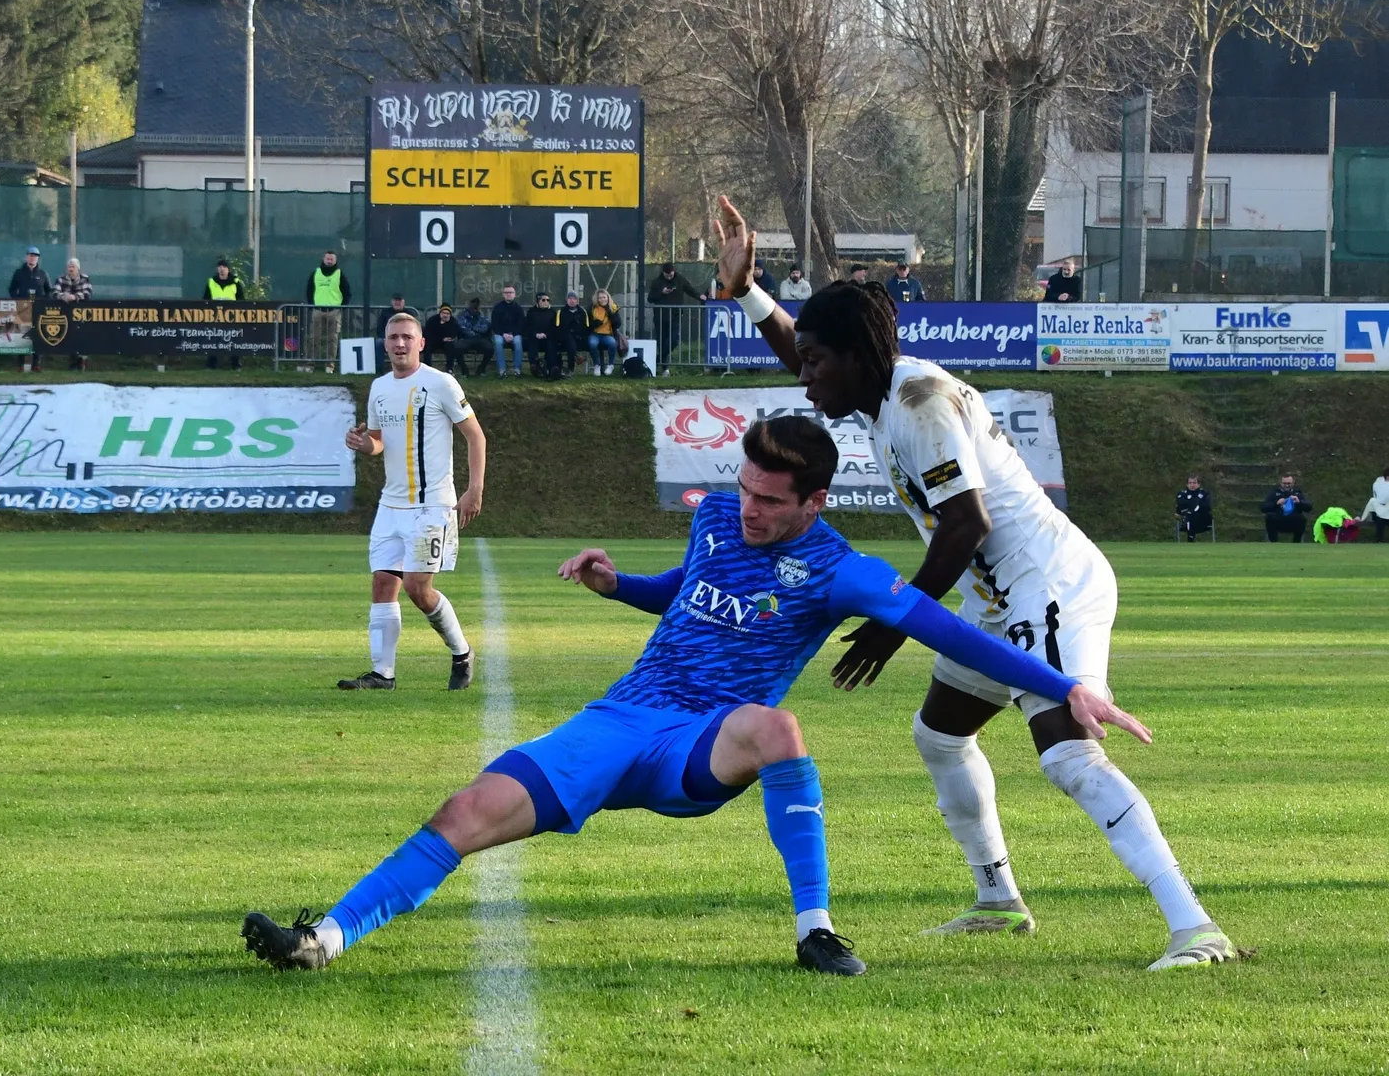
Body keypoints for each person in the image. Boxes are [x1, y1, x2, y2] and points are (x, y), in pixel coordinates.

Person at [241, 417, 1147, 975]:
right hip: (620, 716)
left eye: (769, 499)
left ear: (815, 500)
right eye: (744, 488)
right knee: (465, 808)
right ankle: (323, 941)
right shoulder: (717, 518)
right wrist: (615, 585)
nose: (748, 508)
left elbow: (948, 632)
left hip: (701, 745)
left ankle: (816, 931)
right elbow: (683, 590)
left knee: (778, 725)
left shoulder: (843, 569)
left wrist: (1065, 685)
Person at [713, 195, 1237, 970]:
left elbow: (967, 525)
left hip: (1044, 584)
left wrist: (897, 621)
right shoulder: (875, 389)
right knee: (940, 734)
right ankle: (997, 900)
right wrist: (749, 291)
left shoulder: (919, 404)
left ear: (855, 357)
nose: (804, 377)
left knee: (1067, 757)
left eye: (818, 363)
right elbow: (807, 355)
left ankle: (1195, 928)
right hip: (995, 599)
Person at [335, 313, 485, 692]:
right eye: (392, 338)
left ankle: (462, 652)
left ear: (421, 343)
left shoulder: (441, 384)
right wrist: (363, 443)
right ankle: (382, 674)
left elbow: (476, 437)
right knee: (383, 583)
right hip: (391, 505)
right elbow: (377, 441)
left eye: (406, 337)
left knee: (419, 588)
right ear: (384, 344)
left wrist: (474, 490)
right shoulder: (380, 387)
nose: (399, 344)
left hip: (432, 506)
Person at [648, 263, 704, 376]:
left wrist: (700, 296)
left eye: (671, 274)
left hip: (675, 316)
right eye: (667, 275)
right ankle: (665, 368)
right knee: (662, 341)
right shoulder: (656, 282)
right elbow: (650, 298)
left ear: (674, 271)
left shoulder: (680, 279)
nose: (669, 277)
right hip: (660, 316)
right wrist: (661, 293)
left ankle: (656, 361)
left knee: (673, 340)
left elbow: (690, 290)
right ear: (663, 272)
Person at [305, 251, 350, 372]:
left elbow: (347, 293)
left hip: (334, 312)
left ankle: (330, 365)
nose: (329, 261)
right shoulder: (316, 273)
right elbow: (309, 290)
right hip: (318, 310)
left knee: (333, 339)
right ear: (323, 259)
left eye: (332, 259)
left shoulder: (340, 274)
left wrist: (342, 307)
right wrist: (311, 306)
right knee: (314, 338)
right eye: (328, 259)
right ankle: (310, 363)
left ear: (335, 261)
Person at [203, 259, 247, 370]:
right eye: (220, 267)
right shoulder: (211, 282)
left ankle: (236, 364)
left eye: (224, 267)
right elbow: (205, 300)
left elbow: (241, 300)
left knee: (234, 339)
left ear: (228, 269)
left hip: (232, 317)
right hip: (215, 316)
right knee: (212, 339)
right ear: (217, 269)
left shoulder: (236, 282)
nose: (222, 269)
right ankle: (211, 364)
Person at [1261, 475, 1312, 543]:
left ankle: (1296, 543)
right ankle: (1273, 543)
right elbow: (1263, 508)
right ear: (1281, 483)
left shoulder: (1298, 493)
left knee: (1302, 519)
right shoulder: (1274, 493)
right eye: (1284, 483)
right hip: (1278, 521)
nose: (1286, 485)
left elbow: (1309, 508)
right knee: (1269, 518)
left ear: (1293, 483)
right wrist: (1276, 503)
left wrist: (1299, 502)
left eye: (1289, 483)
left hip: (1293, 522)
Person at [489, 284, 525, 377]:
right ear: (503, 294)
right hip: (500, 334)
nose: (508, 294)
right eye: (506, 292)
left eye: (510, 292)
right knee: (498, 342)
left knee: (518, 342)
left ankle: (517, 369)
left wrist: (513, 334)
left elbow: (521, 325)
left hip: (515, 334)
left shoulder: (518, 308)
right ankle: (502, 370)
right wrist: (503, 334)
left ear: (514, 294)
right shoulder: (497, 307)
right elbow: (495, 324)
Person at [587, 289, 622, 376]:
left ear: (608, 297)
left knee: (613, 343)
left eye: (604, 297)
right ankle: (596, 365)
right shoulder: (592, 308)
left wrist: (611, 314)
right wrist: (594, 324)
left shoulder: (613, 308)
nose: (603, 300)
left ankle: (610, 365)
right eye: (600, 298)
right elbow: (587, 323)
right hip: (595, 333)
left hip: (607, 334)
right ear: (597, 299)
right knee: (592, 344)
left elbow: (618, 324)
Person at [556, 291, 592, 377]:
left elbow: (587, 327)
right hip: (564, 339)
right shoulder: (561, 312)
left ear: (578, 301)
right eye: (570, 298)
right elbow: (558, 327)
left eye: (574, 298)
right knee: (569, 340)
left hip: (580, 339)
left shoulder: (582, 311)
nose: (572, 300)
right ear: (567, 300)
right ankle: (570, 367)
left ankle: (571, 368)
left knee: (572, 342)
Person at [452, 298, 492, 375]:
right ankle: (464, 369)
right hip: (466, 339)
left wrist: (472, 328)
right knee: (456, 348)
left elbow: (485, 328)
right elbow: (462, 329)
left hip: (480, 339)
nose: (474, 309)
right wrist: (475, 331)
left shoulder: (482, 315)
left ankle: (481, 368)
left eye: (476, 306)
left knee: (490, 349)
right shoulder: (462, 315)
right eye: (472, 306)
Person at [524, 291, 558, 378]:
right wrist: (536, 334)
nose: (546, 302)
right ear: (538, 301)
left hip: (548, 337)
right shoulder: (531, 312)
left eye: (548, 300)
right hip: (535, 337)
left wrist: (546, 334)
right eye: (543, 300)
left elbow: (555, 328)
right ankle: (534, 366)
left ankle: (551, 369)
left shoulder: (553, 312)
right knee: (532, 343)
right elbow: (527, 327)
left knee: (552, 344)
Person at [422, 304, 464, 374]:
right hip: (433, 341)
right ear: (440, 313)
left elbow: (454, 334)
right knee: (427, 346)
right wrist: (441, 339)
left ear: (450, 314)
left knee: (450, 346)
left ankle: (449, 369)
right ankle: (427, 369)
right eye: (443, 313)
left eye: (447, 313)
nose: (445, 315)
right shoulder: (433, 320)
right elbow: (428, 334)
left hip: (446, 342)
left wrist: (445, 324)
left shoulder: (453, 321)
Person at [373, 294, 409, 375]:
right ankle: (379, 369)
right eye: (395, 300)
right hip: (388, 337)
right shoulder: (385, 312)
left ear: (403, 302)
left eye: (399, 300)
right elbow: (380, 328)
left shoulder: (409, 313)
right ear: (392, 302)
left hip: (404, 339)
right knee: (379, 343)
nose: (397, 302)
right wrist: (387, 338)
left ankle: (408, 367)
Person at [1175, 475, 1213, 542]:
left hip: (1203, 519)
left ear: (1199, 484)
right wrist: (1196, 502)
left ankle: (1190, 537)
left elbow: (1207, 506)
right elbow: (1181, 503)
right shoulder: (1182, 494)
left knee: (1192, 514)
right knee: (1189, 515)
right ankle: (1191, 536)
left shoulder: (1204, 493)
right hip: (1185, 519)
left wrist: (1194, 505)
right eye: (1190, 483)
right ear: (1187, 484)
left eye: (1194, 483)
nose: (1192, 485)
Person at [1361, 466, 1389, 542]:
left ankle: (1378, 539)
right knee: (1380, 520)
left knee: (1382, 519)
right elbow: (1381, 498)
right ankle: (1378, 540)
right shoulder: (1379, 483)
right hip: (1378, 511)